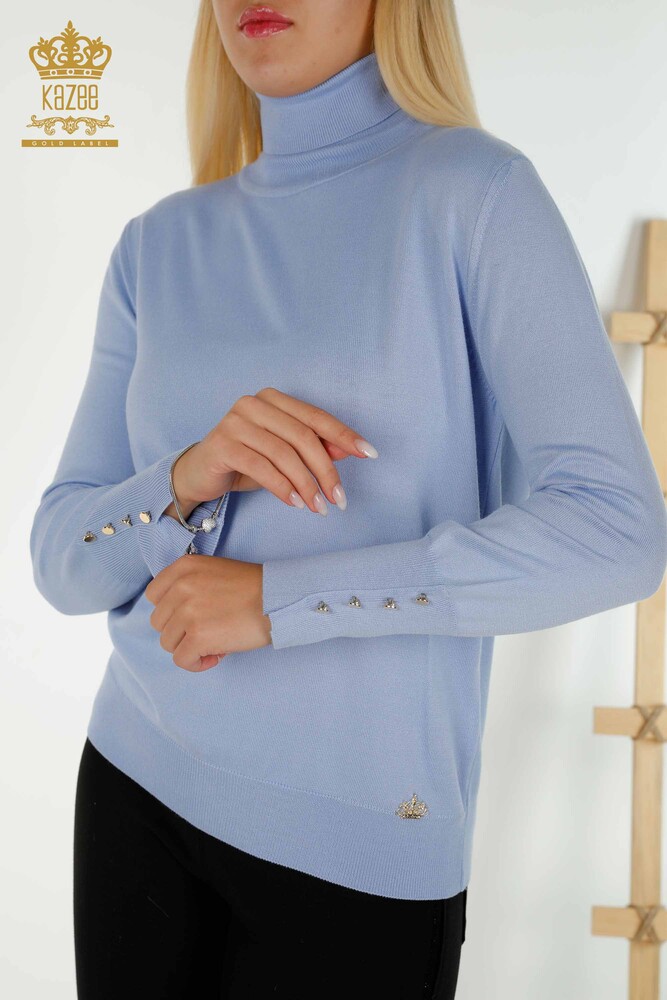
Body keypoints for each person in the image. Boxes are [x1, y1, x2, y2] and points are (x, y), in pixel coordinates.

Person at [29, 1, 667, 998]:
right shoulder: (156, 245)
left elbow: (617, 532)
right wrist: (185, 476)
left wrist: (276, 601)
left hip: (362, 840)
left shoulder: (475, 193)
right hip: (135, 783)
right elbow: (61, 561)